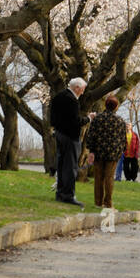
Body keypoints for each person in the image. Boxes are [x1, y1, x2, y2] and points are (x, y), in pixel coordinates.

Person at [84, 96, 128, 213]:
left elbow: (91, 136)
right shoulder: (120, 121)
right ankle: (108, 203)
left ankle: (98, 203)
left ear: (105, 105)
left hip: (99, 152)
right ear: (116, 107)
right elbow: (123, 139)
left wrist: (91, 150)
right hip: (113, 154)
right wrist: (122, 150)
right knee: (109, 178)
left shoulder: (97, 119)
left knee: (99, 178)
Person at [50, 77, 86, 207]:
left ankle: (60, 193)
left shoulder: (58, 96)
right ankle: (68, 195)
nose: (82, 93)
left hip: (59, 134)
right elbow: (75, 122)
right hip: (70, 137)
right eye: (82, 90)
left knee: (61, 165)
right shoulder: (72, 101)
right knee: (70, 167)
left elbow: (53, 117)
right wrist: (88, 119)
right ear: (76, 88)